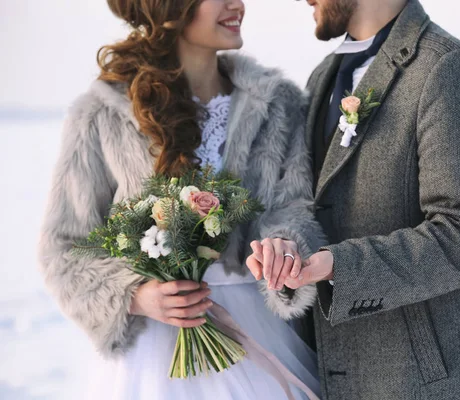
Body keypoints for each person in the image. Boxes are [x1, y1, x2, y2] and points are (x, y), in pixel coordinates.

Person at [38, 0, 325, 398]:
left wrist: (283, 246)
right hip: (154, 353)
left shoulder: (277, 104)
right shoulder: (102, 112)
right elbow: (63, 247)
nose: (237, 4)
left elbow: (292, 206)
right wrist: (134, 296)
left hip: (257, 329)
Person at [247, 0, 460, 399]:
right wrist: (288, 248)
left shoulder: (449, 69)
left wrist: (339, 267)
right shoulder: (322, 77)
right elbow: (316, 206)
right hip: (347, 378)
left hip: (435, 386)